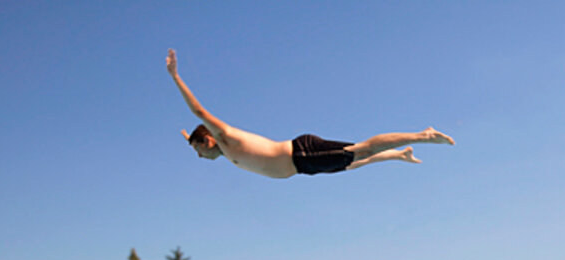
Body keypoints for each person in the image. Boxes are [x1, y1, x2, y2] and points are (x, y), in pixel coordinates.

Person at [166, 49, 454, 178]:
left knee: (361, 150)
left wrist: (176, 77)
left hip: (300, 156)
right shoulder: (221, 150)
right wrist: (187, 137)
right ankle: (399, 154)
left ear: (208, 141)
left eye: (198, 151)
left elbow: (198, 111)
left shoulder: (225, 138)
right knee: (352, 163)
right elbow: (194, 133)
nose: (200, 158)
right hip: (302, 163)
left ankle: (423, 135)